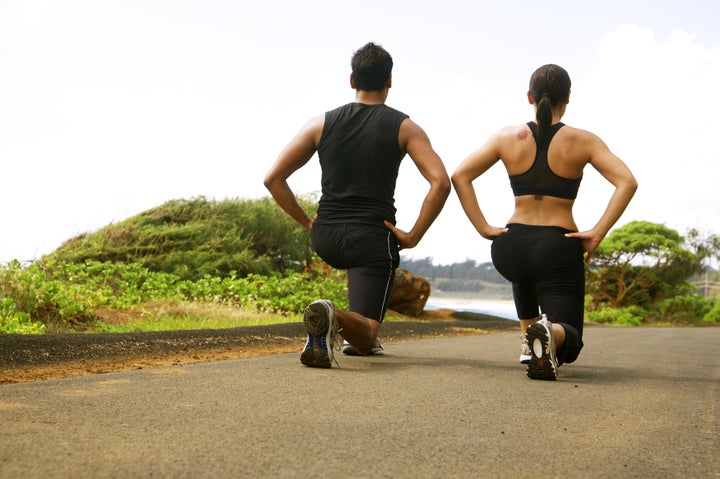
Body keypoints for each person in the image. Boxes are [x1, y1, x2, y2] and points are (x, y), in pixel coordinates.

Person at [264, 42, 451, 368]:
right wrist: (413, 235)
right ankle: (334, 317)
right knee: (366, 337)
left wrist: (309, 223)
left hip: (326, 237)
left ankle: (336, 322)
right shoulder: (404, 127)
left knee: (361, 304)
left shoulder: (319, 124)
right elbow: (441, 182)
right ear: (389, 79)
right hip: (370, 239)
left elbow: (273, 179)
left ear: (352, 80)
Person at [451, 64, 637, 380]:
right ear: (568, 96)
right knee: (571, 338)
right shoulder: (584, 141)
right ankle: (548, 333)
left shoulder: (506, 137)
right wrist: (596, 232)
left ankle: (531, 342)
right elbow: (627, 182)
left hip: (510, 244)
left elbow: (460, 175)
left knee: (526, 271)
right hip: (557, 245)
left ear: (530, 97)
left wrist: (483, 227)